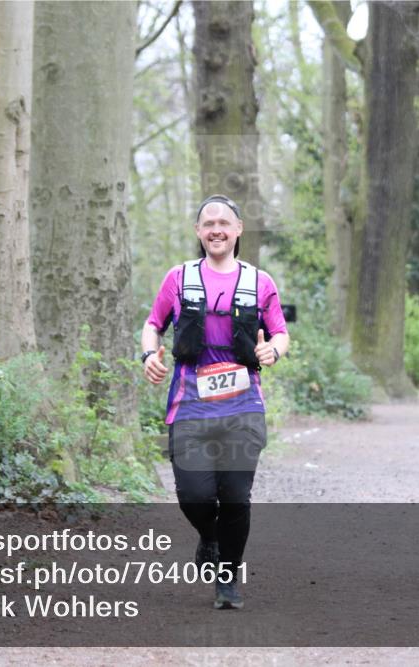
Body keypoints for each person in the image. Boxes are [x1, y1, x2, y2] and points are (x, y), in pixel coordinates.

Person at [141, 194, 290, 610]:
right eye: (208, 223)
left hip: (243, 407)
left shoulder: (259, 282)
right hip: (189, 406)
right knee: (194, 496)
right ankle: (209, 537)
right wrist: (148, 354)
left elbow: (280, 333)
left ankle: (227, 580)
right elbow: (152, 326)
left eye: (224, 222)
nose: (216, 230)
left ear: (239, 230)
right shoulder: (179, 278)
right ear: (198, 232)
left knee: (236, 497)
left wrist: (272, 351)